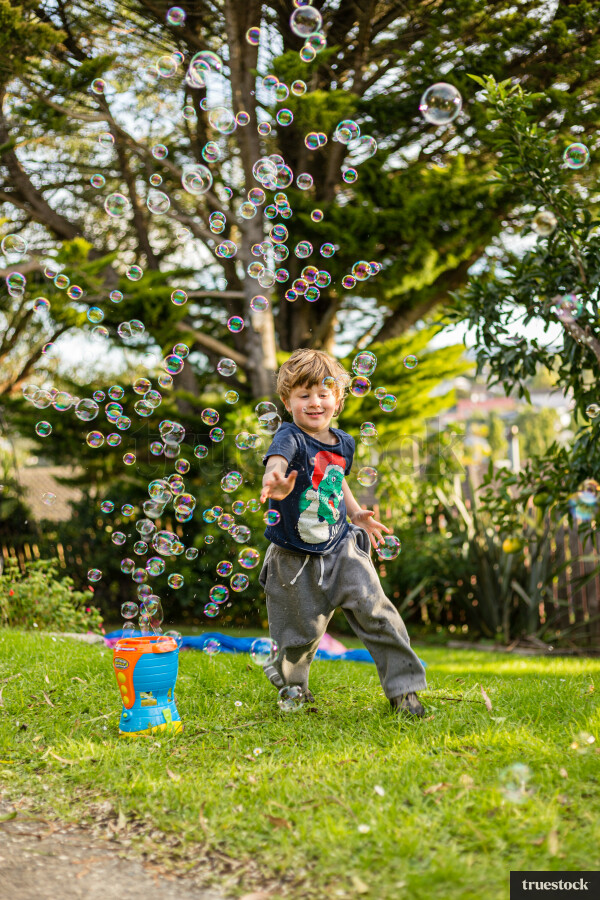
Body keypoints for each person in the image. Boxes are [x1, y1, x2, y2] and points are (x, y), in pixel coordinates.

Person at [258, 348, 427, 716]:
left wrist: (356, 515)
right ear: (287, 402)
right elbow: (278, 458)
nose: (315, 402)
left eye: (324, 393)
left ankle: (405, 691)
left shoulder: (344, 442)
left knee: (378, 613)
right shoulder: (290, 437)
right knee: (297, 637)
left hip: (342, 548)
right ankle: (293, 688)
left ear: (338, 399)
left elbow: (337, 479)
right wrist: (274, 477)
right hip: (293, 559)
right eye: (304, 395)